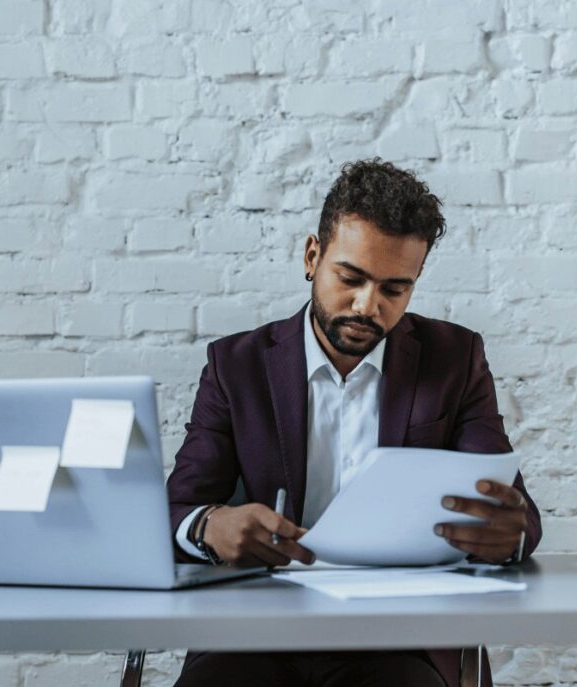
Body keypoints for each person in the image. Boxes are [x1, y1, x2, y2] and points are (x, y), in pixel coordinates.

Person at [167, 159, 542, 687]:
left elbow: (515, 514)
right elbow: (176, 509)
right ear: (312, 256)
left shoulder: (455, 359)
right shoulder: (238, 365)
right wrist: (210, 525)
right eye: (351, 278)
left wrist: (511, 535)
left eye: (394, 289)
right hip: (254, 632)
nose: (368, 306)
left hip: (396, 642)